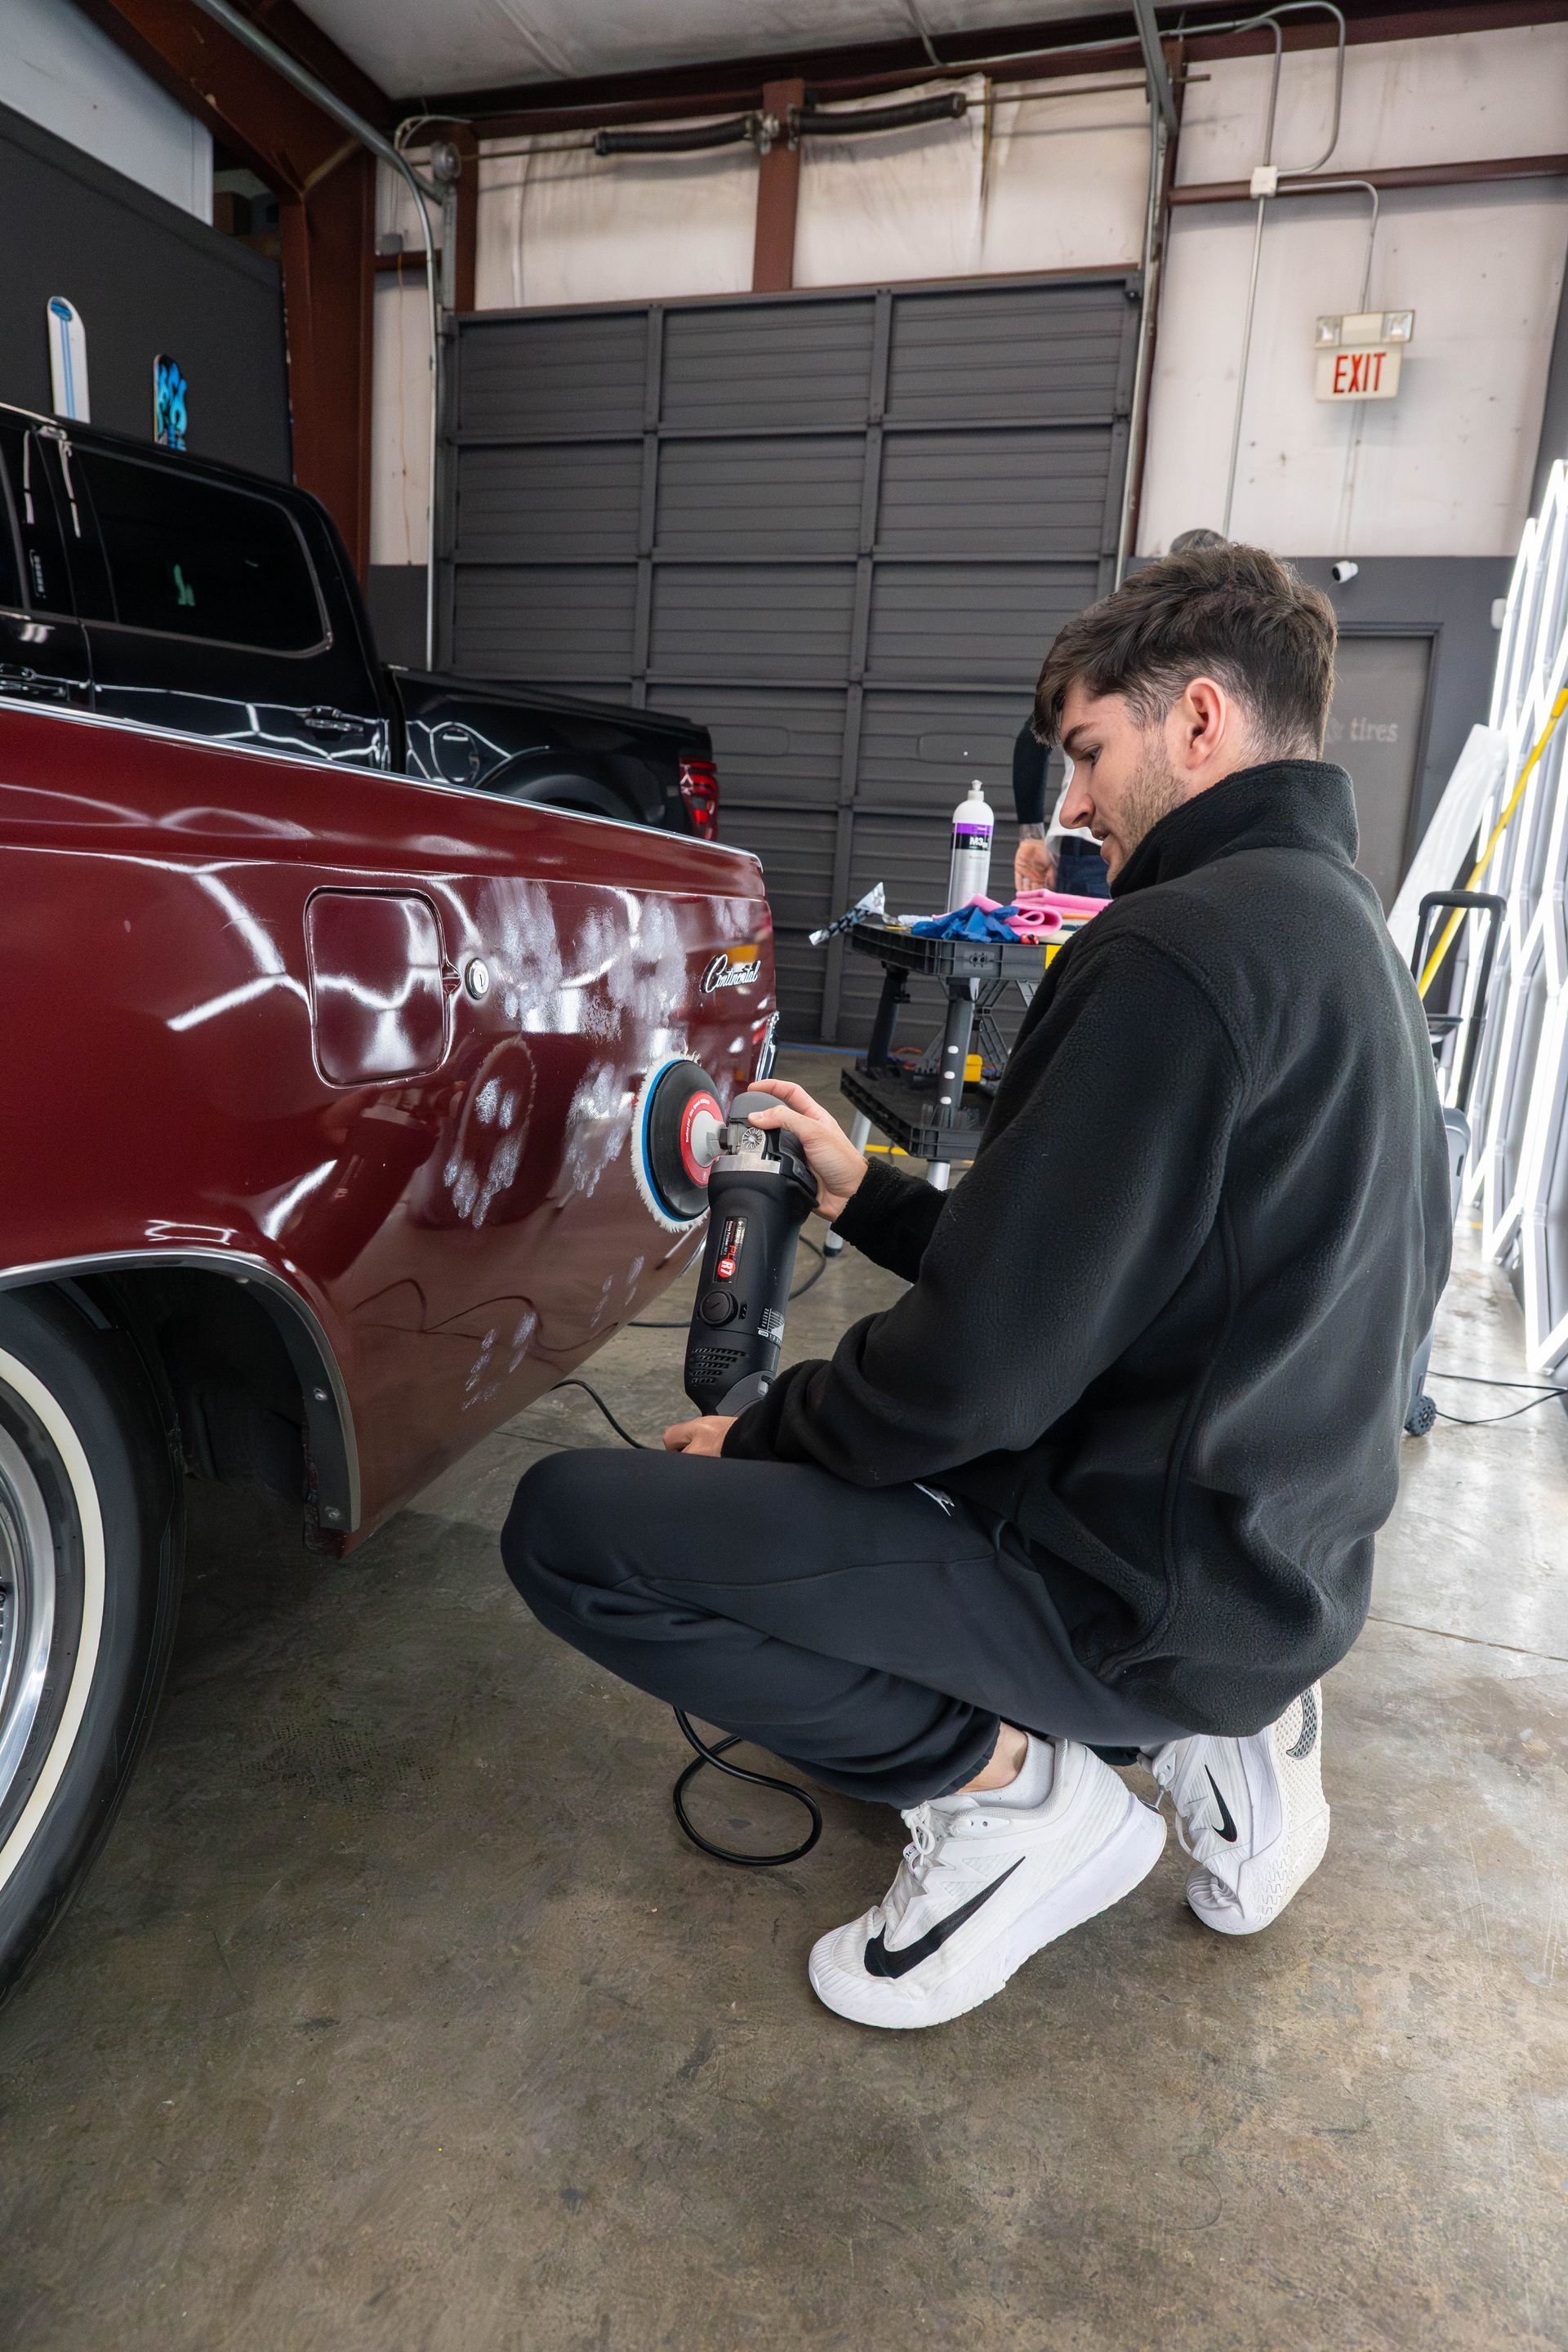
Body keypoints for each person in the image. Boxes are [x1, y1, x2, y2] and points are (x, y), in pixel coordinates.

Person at [502, 544, 1451, 2032]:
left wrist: (764, 1432)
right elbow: (1102, 1274)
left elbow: (976, 1379)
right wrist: (863, 1194)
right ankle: (1237, 1730)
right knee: (838, 1569)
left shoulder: (1175, 953)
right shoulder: (1346, 939)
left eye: (1087, 754)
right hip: (1275, 1567)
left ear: (1198, 722)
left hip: (1134, 1595)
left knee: (573, 1530)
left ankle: (1022, 1801)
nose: (1069, 807)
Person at [1012, 719, 1109, 900]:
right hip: (1096, 847)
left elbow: (1035, 732)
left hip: (1081, 848)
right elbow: (1036, 733)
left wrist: (1031, 838)